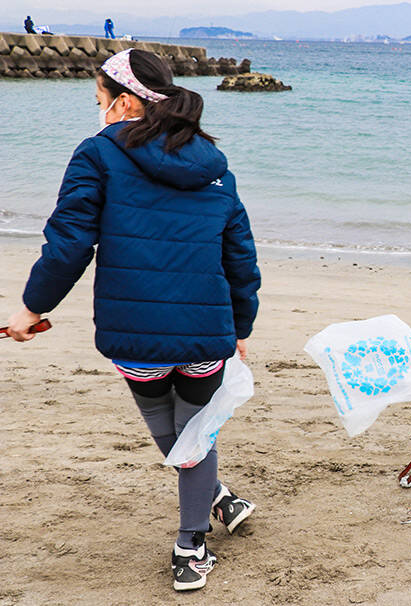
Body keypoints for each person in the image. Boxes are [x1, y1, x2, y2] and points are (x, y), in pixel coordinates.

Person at [5, 48, 261, 591]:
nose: (97, 112)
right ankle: (209, 509)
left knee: (175, 434)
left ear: (123, 103)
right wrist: (240, 328)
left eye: (99, 100)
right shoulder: (216, 168)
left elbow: (70, 242)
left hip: (134, 338)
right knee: (193, 433)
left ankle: (192, 542)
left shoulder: (97, 154)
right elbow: (240, 256)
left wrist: (32, 308)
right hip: (205, 336)